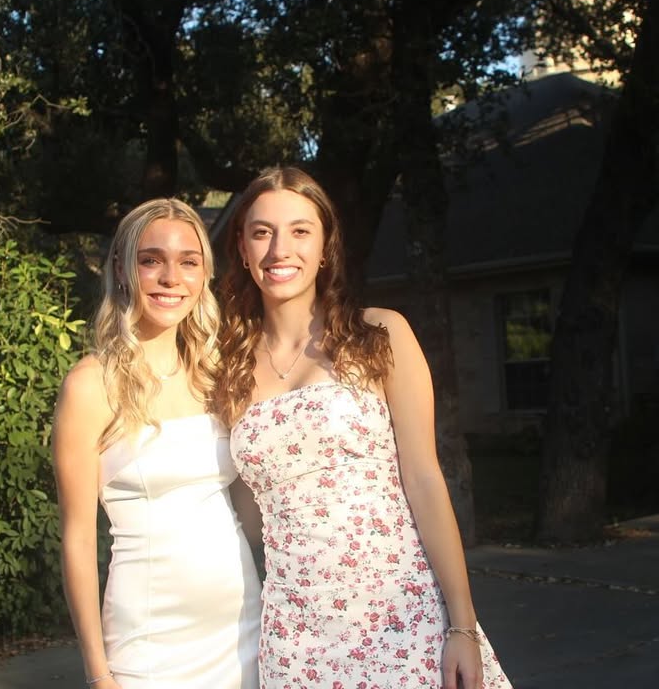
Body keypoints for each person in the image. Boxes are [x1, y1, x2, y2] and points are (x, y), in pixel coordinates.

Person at [213, 167, 511, 689]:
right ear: (241, 248)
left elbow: (425, 480)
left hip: (402, 617)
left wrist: (462, 624)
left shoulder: (379, 334)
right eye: (262, 232)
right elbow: (243, 513)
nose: (280, 249)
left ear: (325, 247)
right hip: (296, 637)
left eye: (300, 231)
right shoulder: (226, 368)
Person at [52, 198, 262, 689]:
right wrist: (98, 673)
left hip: (243, 628)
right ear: (122, 270)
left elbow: (252, 507)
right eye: (152, 260)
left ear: (205, 275)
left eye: (188, 262)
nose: (171, 278)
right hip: (146, 639)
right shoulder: (90, 386)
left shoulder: (220, 374)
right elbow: (77, 540)